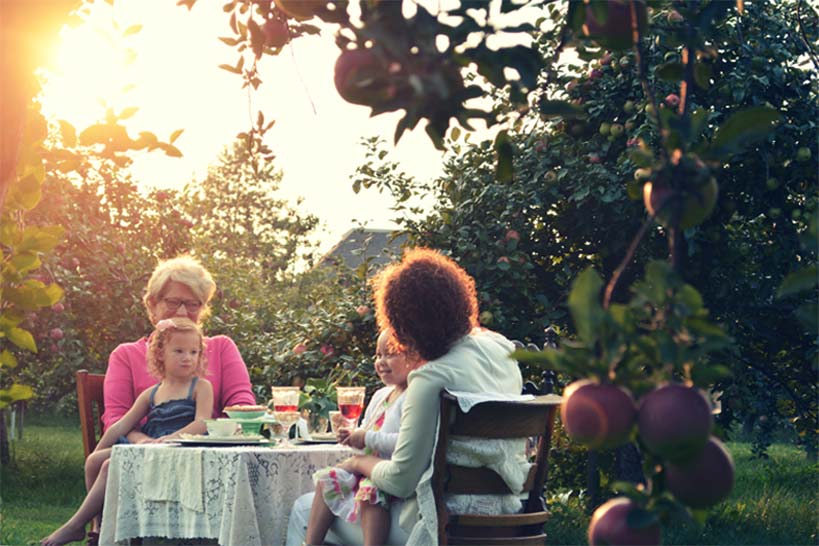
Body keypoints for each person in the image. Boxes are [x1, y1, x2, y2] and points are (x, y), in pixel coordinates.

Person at [286, 248, 526, 546]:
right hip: (507, 517)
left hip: (439, 526)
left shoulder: (431, 377)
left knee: (302, 509)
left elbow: (401, 480)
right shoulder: (502, 349)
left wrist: (357, 464)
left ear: (406, 325)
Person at [41, 317, 214, 546]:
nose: (187, 358)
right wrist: (100, 449)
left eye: (194, 352)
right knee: (95, 461)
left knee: (110, 465)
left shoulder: (200, 386)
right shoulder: (153, 393)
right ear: (161, 353)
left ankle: (74, 526)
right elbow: (122, 425)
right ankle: (99, 528)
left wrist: (171, 438)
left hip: (180, 450)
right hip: (151, 448)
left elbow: (202, 422)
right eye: (179, 351)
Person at [102, 254, 256, 443]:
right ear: (152, 304)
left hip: (209, 450)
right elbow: (116, 419)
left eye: (193, 304)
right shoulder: (125, 355)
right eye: (173, 302)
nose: (182, 312)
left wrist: (211, 436)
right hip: (144, 455)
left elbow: (242, 406)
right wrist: (145, 442)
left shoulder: (222, 347)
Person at [305, 329, 422, 546]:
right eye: (378, 355)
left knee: (370, 493)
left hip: (389, 471)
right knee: (327, 479)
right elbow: (368, 429)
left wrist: (366, 438)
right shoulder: (381, 395)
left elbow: (405, 441)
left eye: (390, 354)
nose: (381, 362)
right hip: (366, 467)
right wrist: (352, 436)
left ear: (414, 357)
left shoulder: (413, 396)